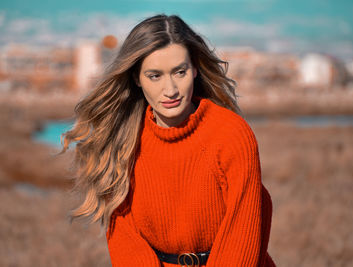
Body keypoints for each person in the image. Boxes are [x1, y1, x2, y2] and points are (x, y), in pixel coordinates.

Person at [61, 14, 275, 267]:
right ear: (136, 79)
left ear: (195, 69)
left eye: (179, 72)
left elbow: (243, 235)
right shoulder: (123, 140)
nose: (171, 89)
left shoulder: (232, 134)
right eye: (155, 76)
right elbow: (125, 237)